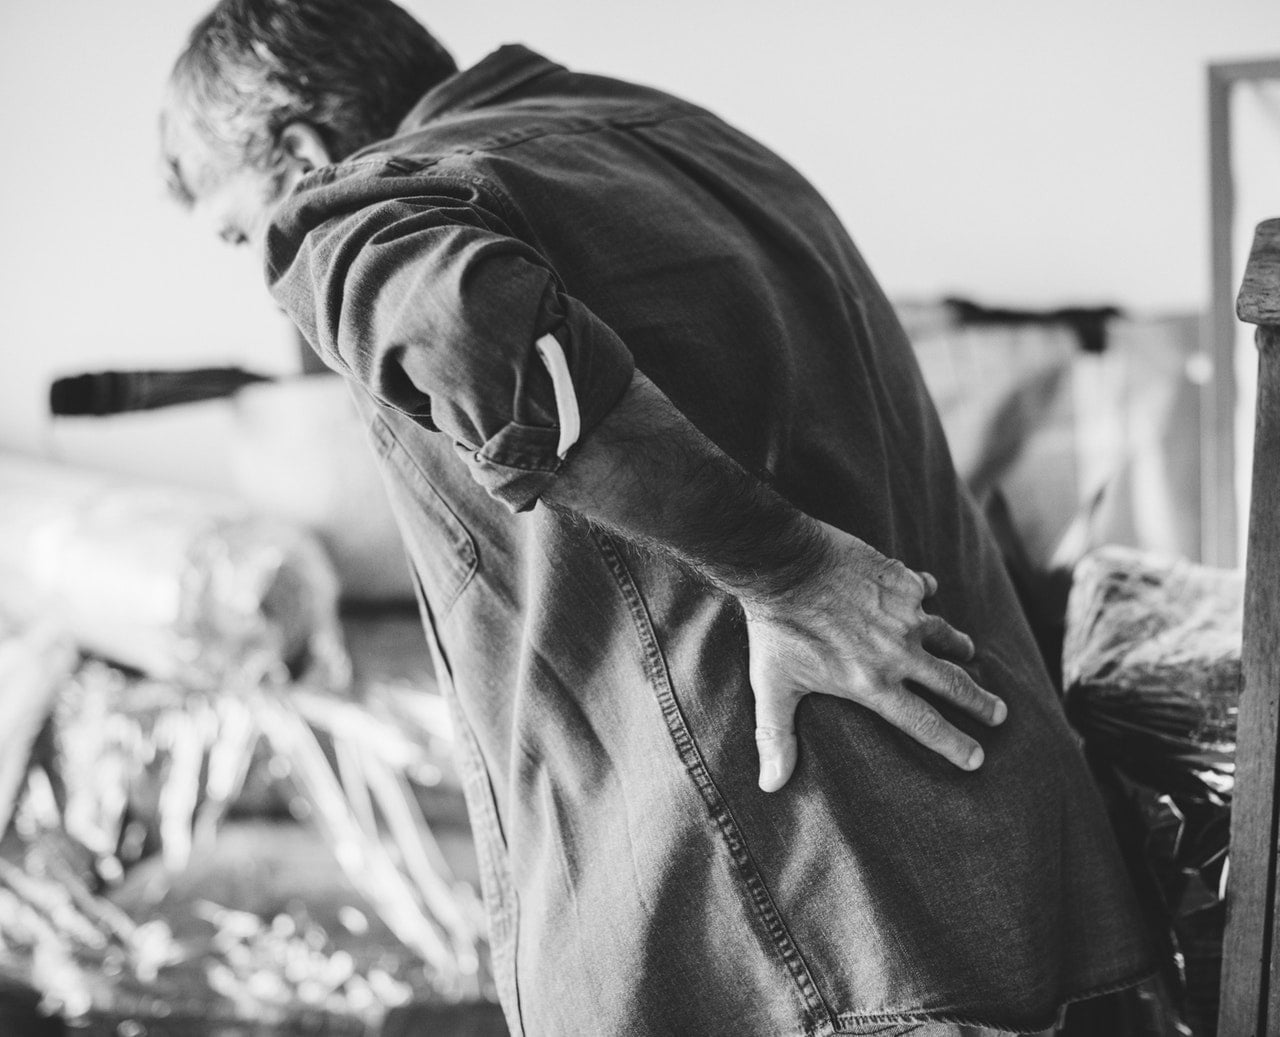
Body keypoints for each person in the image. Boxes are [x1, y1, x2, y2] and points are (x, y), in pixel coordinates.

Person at [160, 3, 1153, 1034]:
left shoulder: (356, 209)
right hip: (1010, 872)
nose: (260, 261)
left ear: (301, 150)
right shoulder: (691, 141)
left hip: (785, 923)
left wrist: (788, 568)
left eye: (240, 230)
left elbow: (453, 326)